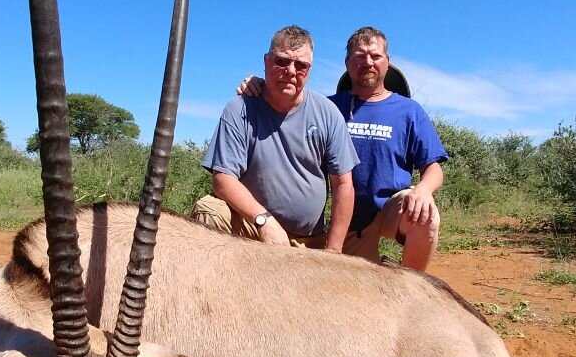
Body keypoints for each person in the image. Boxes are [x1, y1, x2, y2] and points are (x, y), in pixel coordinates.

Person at [238, 26, 448, 270]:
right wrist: (259, 85)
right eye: (359, 57)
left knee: (426, 216)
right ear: (347, 63)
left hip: (390, 209)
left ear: (387, 62)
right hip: (345, 220)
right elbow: (290, 96)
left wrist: (423, 190)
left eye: (375, 56)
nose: (367, 62)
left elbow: (433, 167)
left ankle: (413, 286)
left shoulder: (410, 111)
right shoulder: (329, 108)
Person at [192, 25, 358, 252]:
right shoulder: (239, 109)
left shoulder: (327, 113)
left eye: (300, 65)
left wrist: (334, 250)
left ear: (309, 70)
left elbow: (343, 184)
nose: (291, 71)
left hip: (306, 240)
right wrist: (264, 220)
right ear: (266, 61)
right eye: (281, 61)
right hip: (252, 226)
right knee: (210, 211)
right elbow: (223, 179)